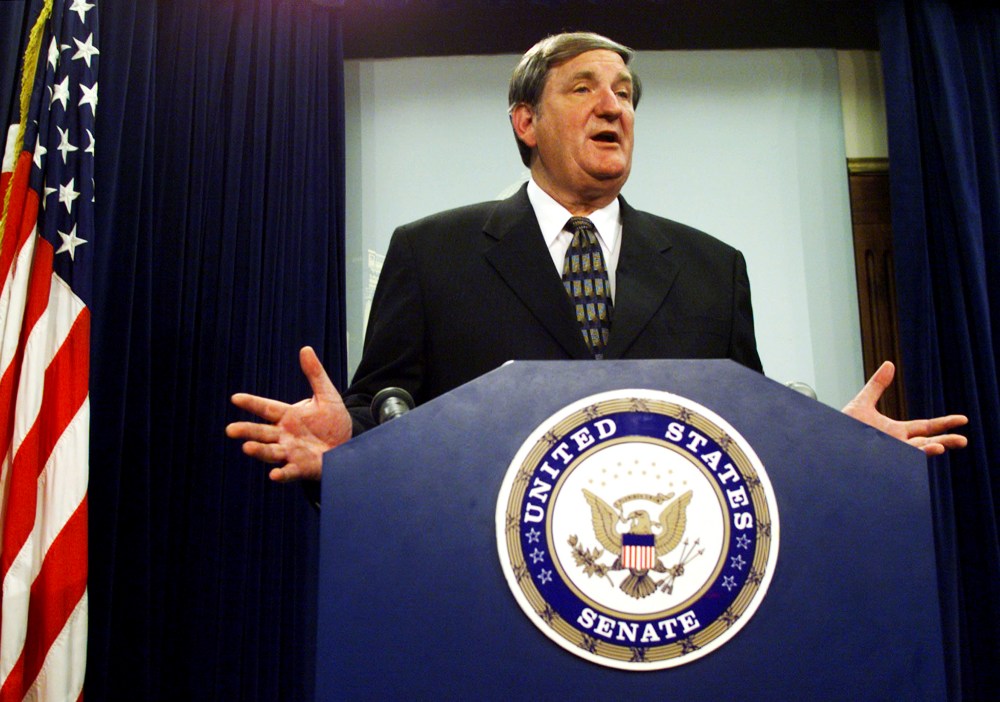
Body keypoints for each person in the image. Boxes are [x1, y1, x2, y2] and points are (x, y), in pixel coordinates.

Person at [226, 32, 967, 482]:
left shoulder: (714, 266)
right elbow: (387, 408)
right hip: (481, 571)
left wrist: (838, 447)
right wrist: (348, 442)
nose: (614, 106)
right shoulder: (432, 252)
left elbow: (745, 430)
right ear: (525, 122)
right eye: (584, 88)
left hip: (664, 593)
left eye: (624, 93)